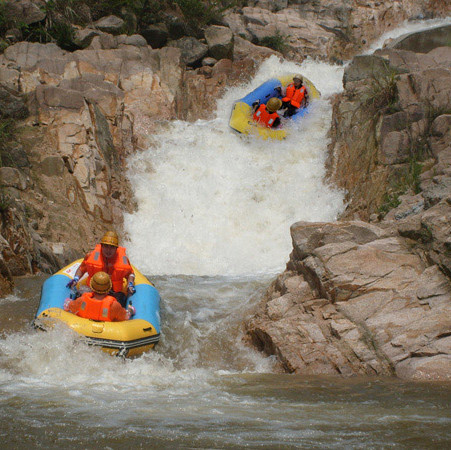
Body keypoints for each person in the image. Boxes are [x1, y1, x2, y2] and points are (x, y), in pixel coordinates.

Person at [66, 231, 135, 308]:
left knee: (119, 302)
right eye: (106, 246)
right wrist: (76, 279)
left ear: (116, 248)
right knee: (81, 294)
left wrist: (130, 285)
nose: (108, 250)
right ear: (101, 246)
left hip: (114, 292)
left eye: (112, 247)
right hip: (93, 289)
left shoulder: (123, 261)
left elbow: (130, 274)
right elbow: (82, 269)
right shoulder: (91, 256)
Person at [64, 272, 135, 321]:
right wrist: (131, 310)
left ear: (91, 288)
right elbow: (125, 316)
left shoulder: (81, 300)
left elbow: (68, 306)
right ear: (108, 289)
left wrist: (68, 301)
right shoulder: (114, 306)